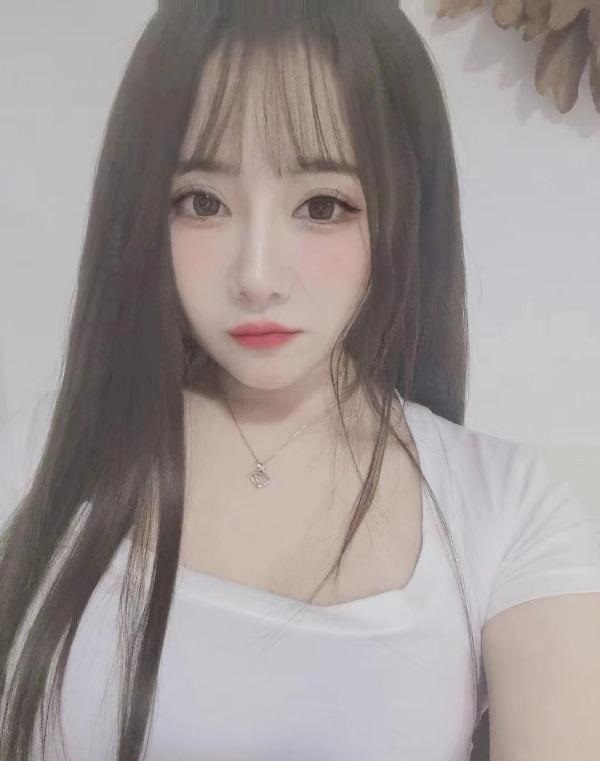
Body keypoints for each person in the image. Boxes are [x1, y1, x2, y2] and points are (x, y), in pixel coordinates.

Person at [1, 2, 599, 760]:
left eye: (323, 205)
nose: (257, 276)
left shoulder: (504, 510)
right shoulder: (34, 461)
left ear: (399, 215)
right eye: (203, 202)